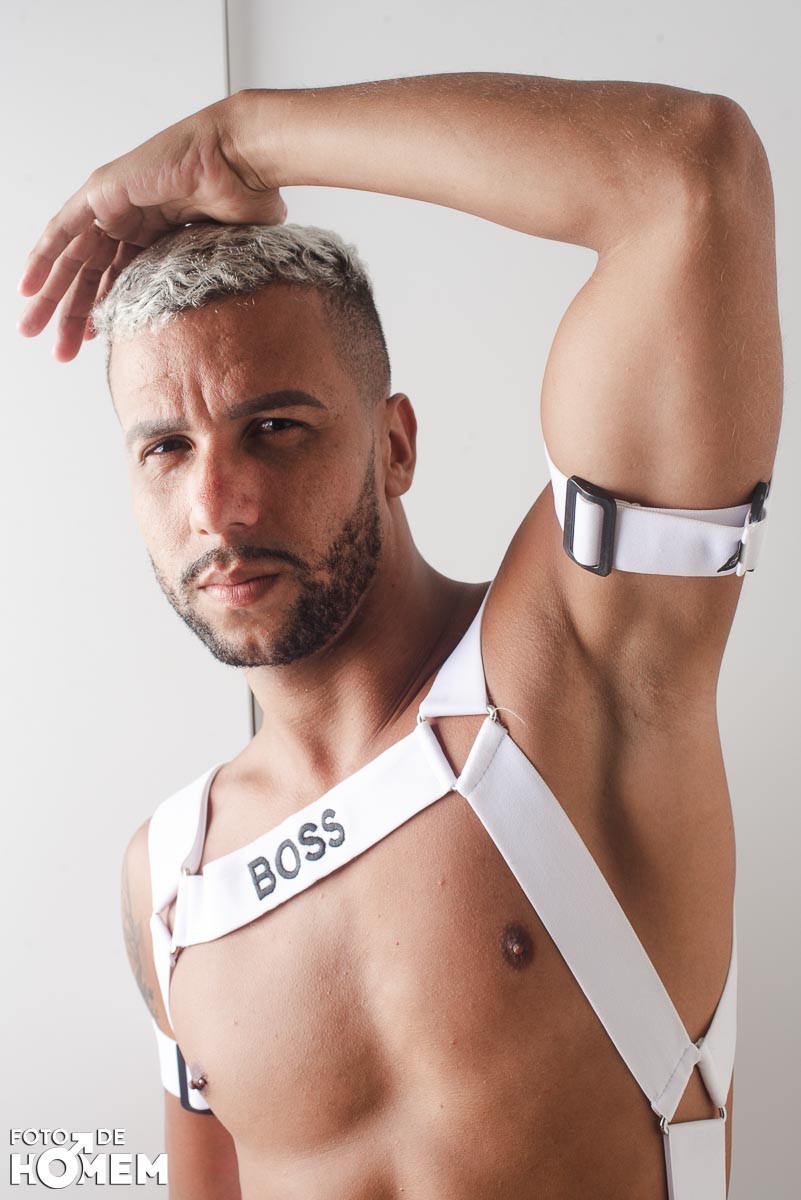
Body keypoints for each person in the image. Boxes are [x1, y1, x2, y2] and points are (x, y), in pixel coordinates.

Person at [17, 72, 782, 1200]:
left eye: (275, 427)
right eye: (166, 449)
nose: (217, 508)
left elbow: (688, 177)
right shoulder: (173, 887)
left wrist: (240, 139)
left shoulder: (575, 667)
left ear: (395, 447)